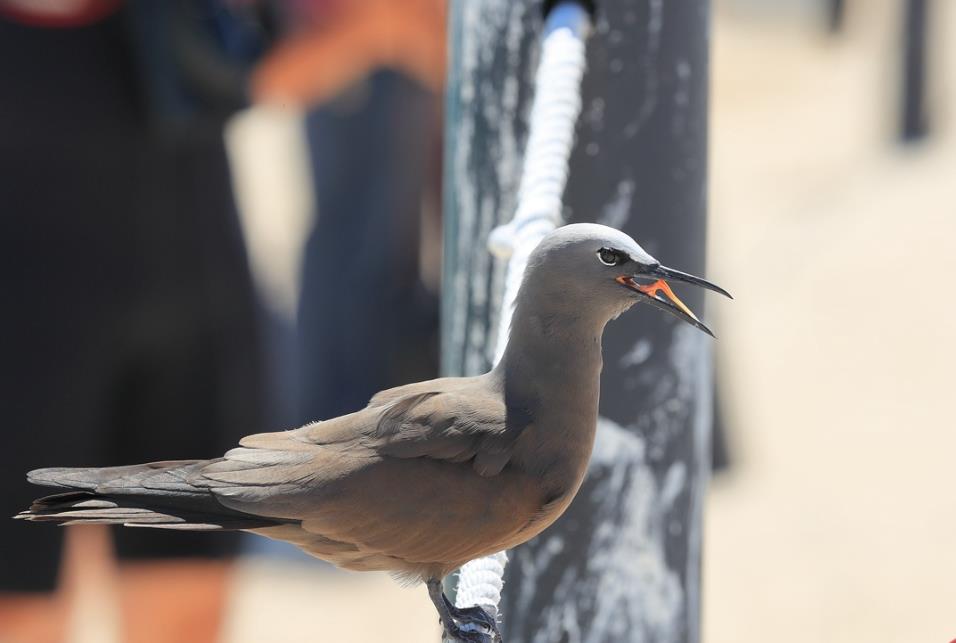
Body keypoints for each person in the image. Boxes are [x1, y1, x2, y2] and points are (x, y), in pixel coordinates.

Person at [0, 2, 269, 641]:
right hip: (26, 297)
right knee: (23, 613)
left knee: (186, 605)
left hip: (191, 276)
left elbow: (292, 52)